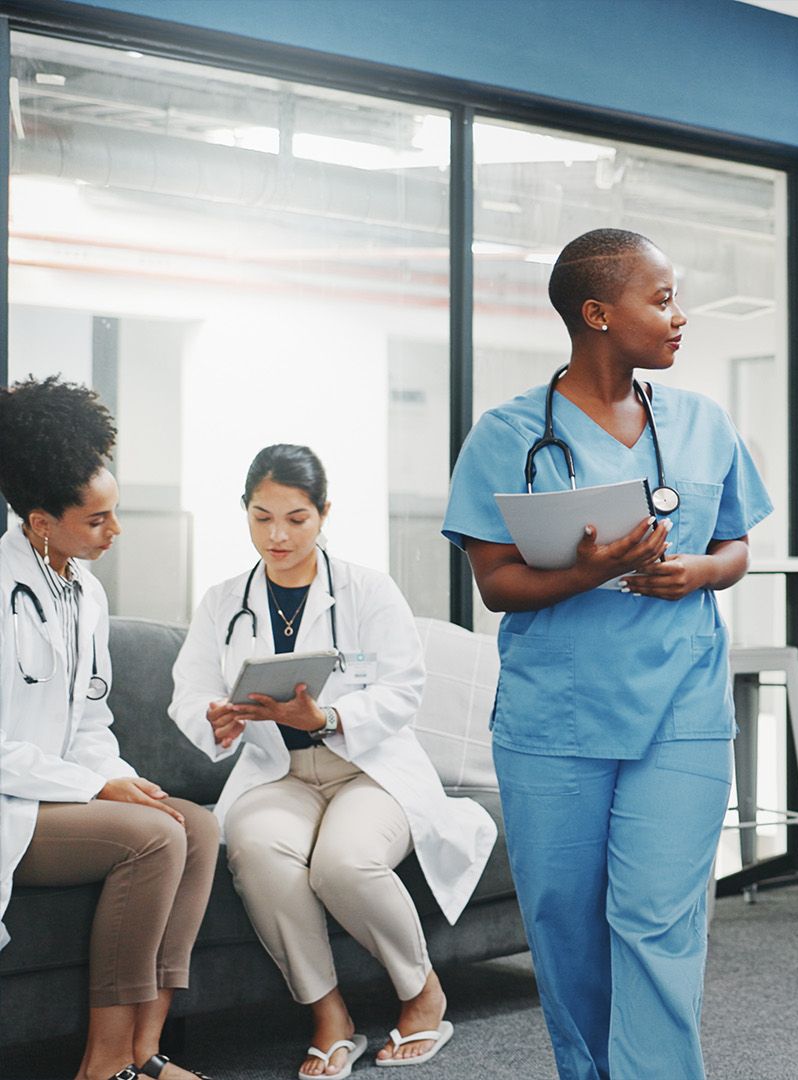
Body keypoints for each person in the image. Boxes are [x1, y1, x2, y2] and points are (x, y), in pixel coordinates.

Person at [441, 228, 770, 1080]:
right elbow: (496, 584)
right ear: (596, 314)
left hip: (682, 714)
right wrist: (587, 572)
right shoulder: (509, 435)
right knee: (567, 928)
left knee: (659, 922)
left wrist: (699, 569)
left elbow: (734, 546)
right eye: (660, 300)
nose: (679, 316)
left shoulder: (702, 422)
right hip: (557, 719)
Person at [168, 444, 496, 1076]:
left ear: (323, 514)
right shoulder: (221, 602)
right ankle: (329, 1014)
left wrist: (328, 719)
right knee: (258, 851)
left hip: (366, 769)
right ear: (244, 513)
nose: (277, 534)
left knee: (343, 864)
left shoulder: (367, 591)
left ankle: (422, 990)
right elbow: (190, 690)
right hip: (277, 773)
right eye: (261, 517)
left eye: (295, 518)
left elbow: (402, 689)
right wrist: (215, 716)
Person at [0, 377, 218, 1080]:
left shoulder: (83, 593)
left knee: (197, 826)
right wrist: (96, 784)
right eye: (97, 521)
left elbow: (91, 716)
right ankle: (102, 1066)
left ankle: (145, 1054)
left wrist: (115, 777)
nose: (114, 532)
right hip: (13, 805)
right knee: (154, 837)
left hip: (60, 795)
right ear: (39, 522)